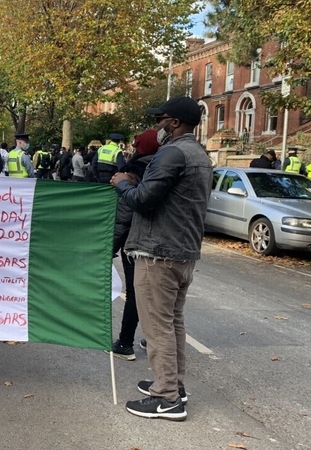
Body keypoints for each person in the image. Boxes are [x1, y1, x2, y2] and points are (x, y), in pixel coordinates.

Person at [111, 96, 213, 421]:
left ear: (174, 123)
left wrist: (123, 184)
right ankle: (174, 385)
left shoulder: (171, 153)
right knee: (172, 323)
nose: (157, 125)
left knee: (157, 327)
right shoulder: (198, 154)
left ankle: (166, 398)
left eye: (161, 119)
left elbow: (143, 200)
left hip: (158, 253)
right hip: (182, 252)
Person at [110, 129, 160, 361]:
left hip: (136, 243)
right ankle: (156, 339)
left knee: (135, 293)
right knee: (157, 294)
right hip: (163, 242)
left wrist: (110, 247)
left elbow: (124, 216)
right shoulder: (166, 169)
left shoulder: (132, 173)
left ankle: (125, 343)